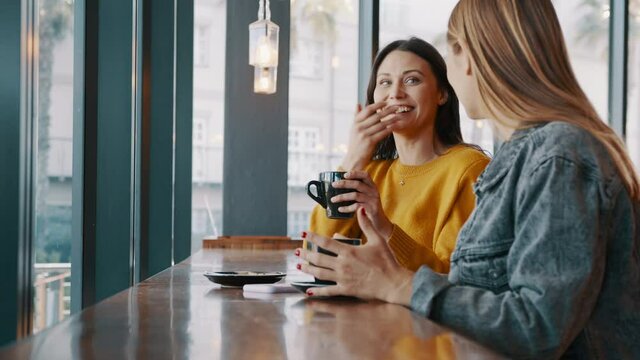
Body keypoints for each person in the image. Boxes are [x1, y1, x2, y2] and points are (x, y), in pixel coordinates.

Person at [296, 0, 640, 358]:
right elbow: (474, 293)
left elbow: (538, 330)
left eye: (452, 51)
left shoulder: (558, 156)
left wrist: (399, 284)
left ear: (473, 58)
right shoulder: (518, 157)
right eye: (384, 82)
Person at [309, 37, 489, 273]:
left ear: (442, 94)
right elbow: (318, 257)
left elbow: (452, 277)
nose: (395, 93)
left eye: (412, 80)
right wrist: (352, 159)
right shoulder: (369, 173)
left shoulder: (469, 168)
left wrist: (383, 225)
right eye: (384, 82)